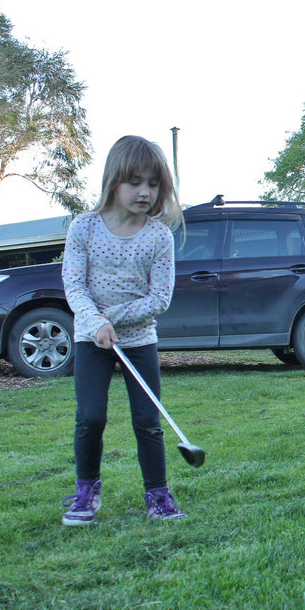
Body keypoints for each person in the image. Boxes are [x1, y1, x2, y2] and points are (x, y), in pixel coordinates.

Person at [59, 135, 186, 526]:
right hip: (91, 338)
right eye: (135, 182)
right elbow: (73, 285)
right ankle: (86, 491)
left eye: (153, 184)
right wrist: (95, 323)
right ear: (113, 180)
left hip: (139, 341)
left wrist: (110, 318)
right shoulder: (84, 227)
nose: (145, 192)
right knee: (90, 418)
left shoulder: (159, 236)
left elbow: (160, 299)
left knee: (147, 421)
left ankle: (158, 495)